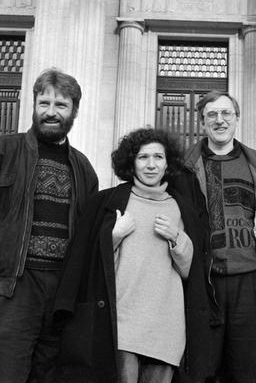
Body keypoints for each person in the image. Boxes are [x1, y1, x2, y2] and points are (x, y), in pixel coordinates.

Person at [0, 68, 98, 382]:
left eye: (61, 105)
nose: (51, 112)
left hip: (61, 293)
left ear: (74, 111)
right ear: (33, 105)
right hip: (12, 289)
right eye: (44, 103)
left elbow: (89, 235)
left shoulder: (83, 168)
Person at [53, 127, 207, 383]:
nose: (151, 165)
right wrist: (112, 237)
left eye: (158, 157)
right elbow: (90, 265)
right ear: (131, 163)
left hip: (166, 327)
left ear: (168, 163)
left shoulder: (181, 208)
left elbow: (191, 272)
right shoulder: (108, 202)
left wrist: (176, 237)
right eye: (143, 157)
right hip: (122, 324)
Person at [179, 90, 256, 383]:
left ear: (237, 119)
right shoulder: (183, 169)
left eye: (226, 114)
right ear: (202, 122)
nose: (219, 120)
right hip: (203, 282)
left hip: (249, 281)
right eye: (212, 114)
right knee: (200, 370)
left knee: (248, 369)